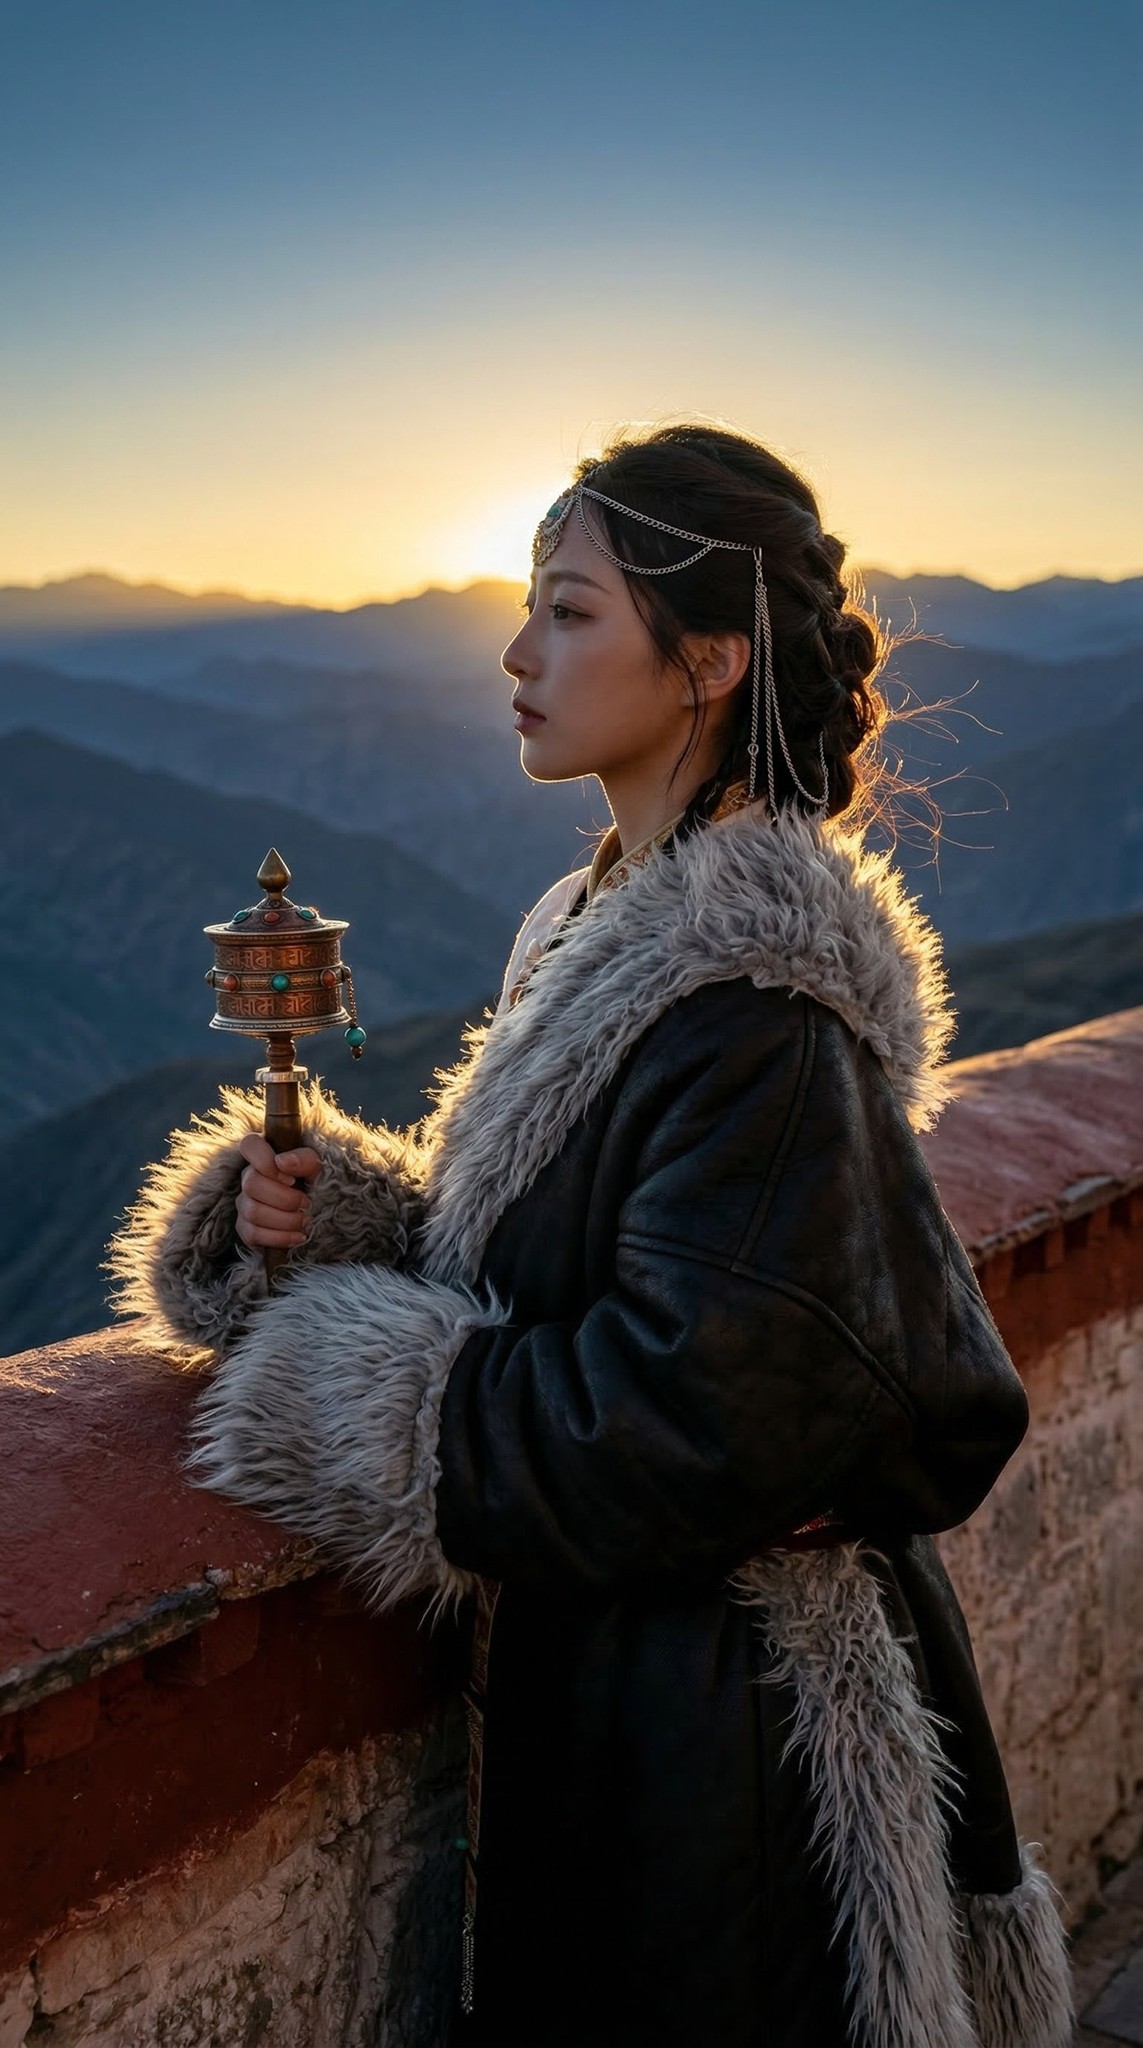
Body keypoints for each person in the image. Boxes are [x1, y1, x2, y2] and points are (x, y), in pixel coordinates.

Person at [109, 423, 1074, 2048]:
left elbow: (695, 1411)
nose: (516, 653)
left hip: (735, 1741)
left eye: (568, 611)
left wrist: (337, 1384)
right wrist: (351, 1218)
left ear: (706, 661)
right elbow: (589, 1257)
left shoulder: (761, 1004)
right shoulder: (599, 919)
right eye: (528, 604)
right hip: (633, 1691)